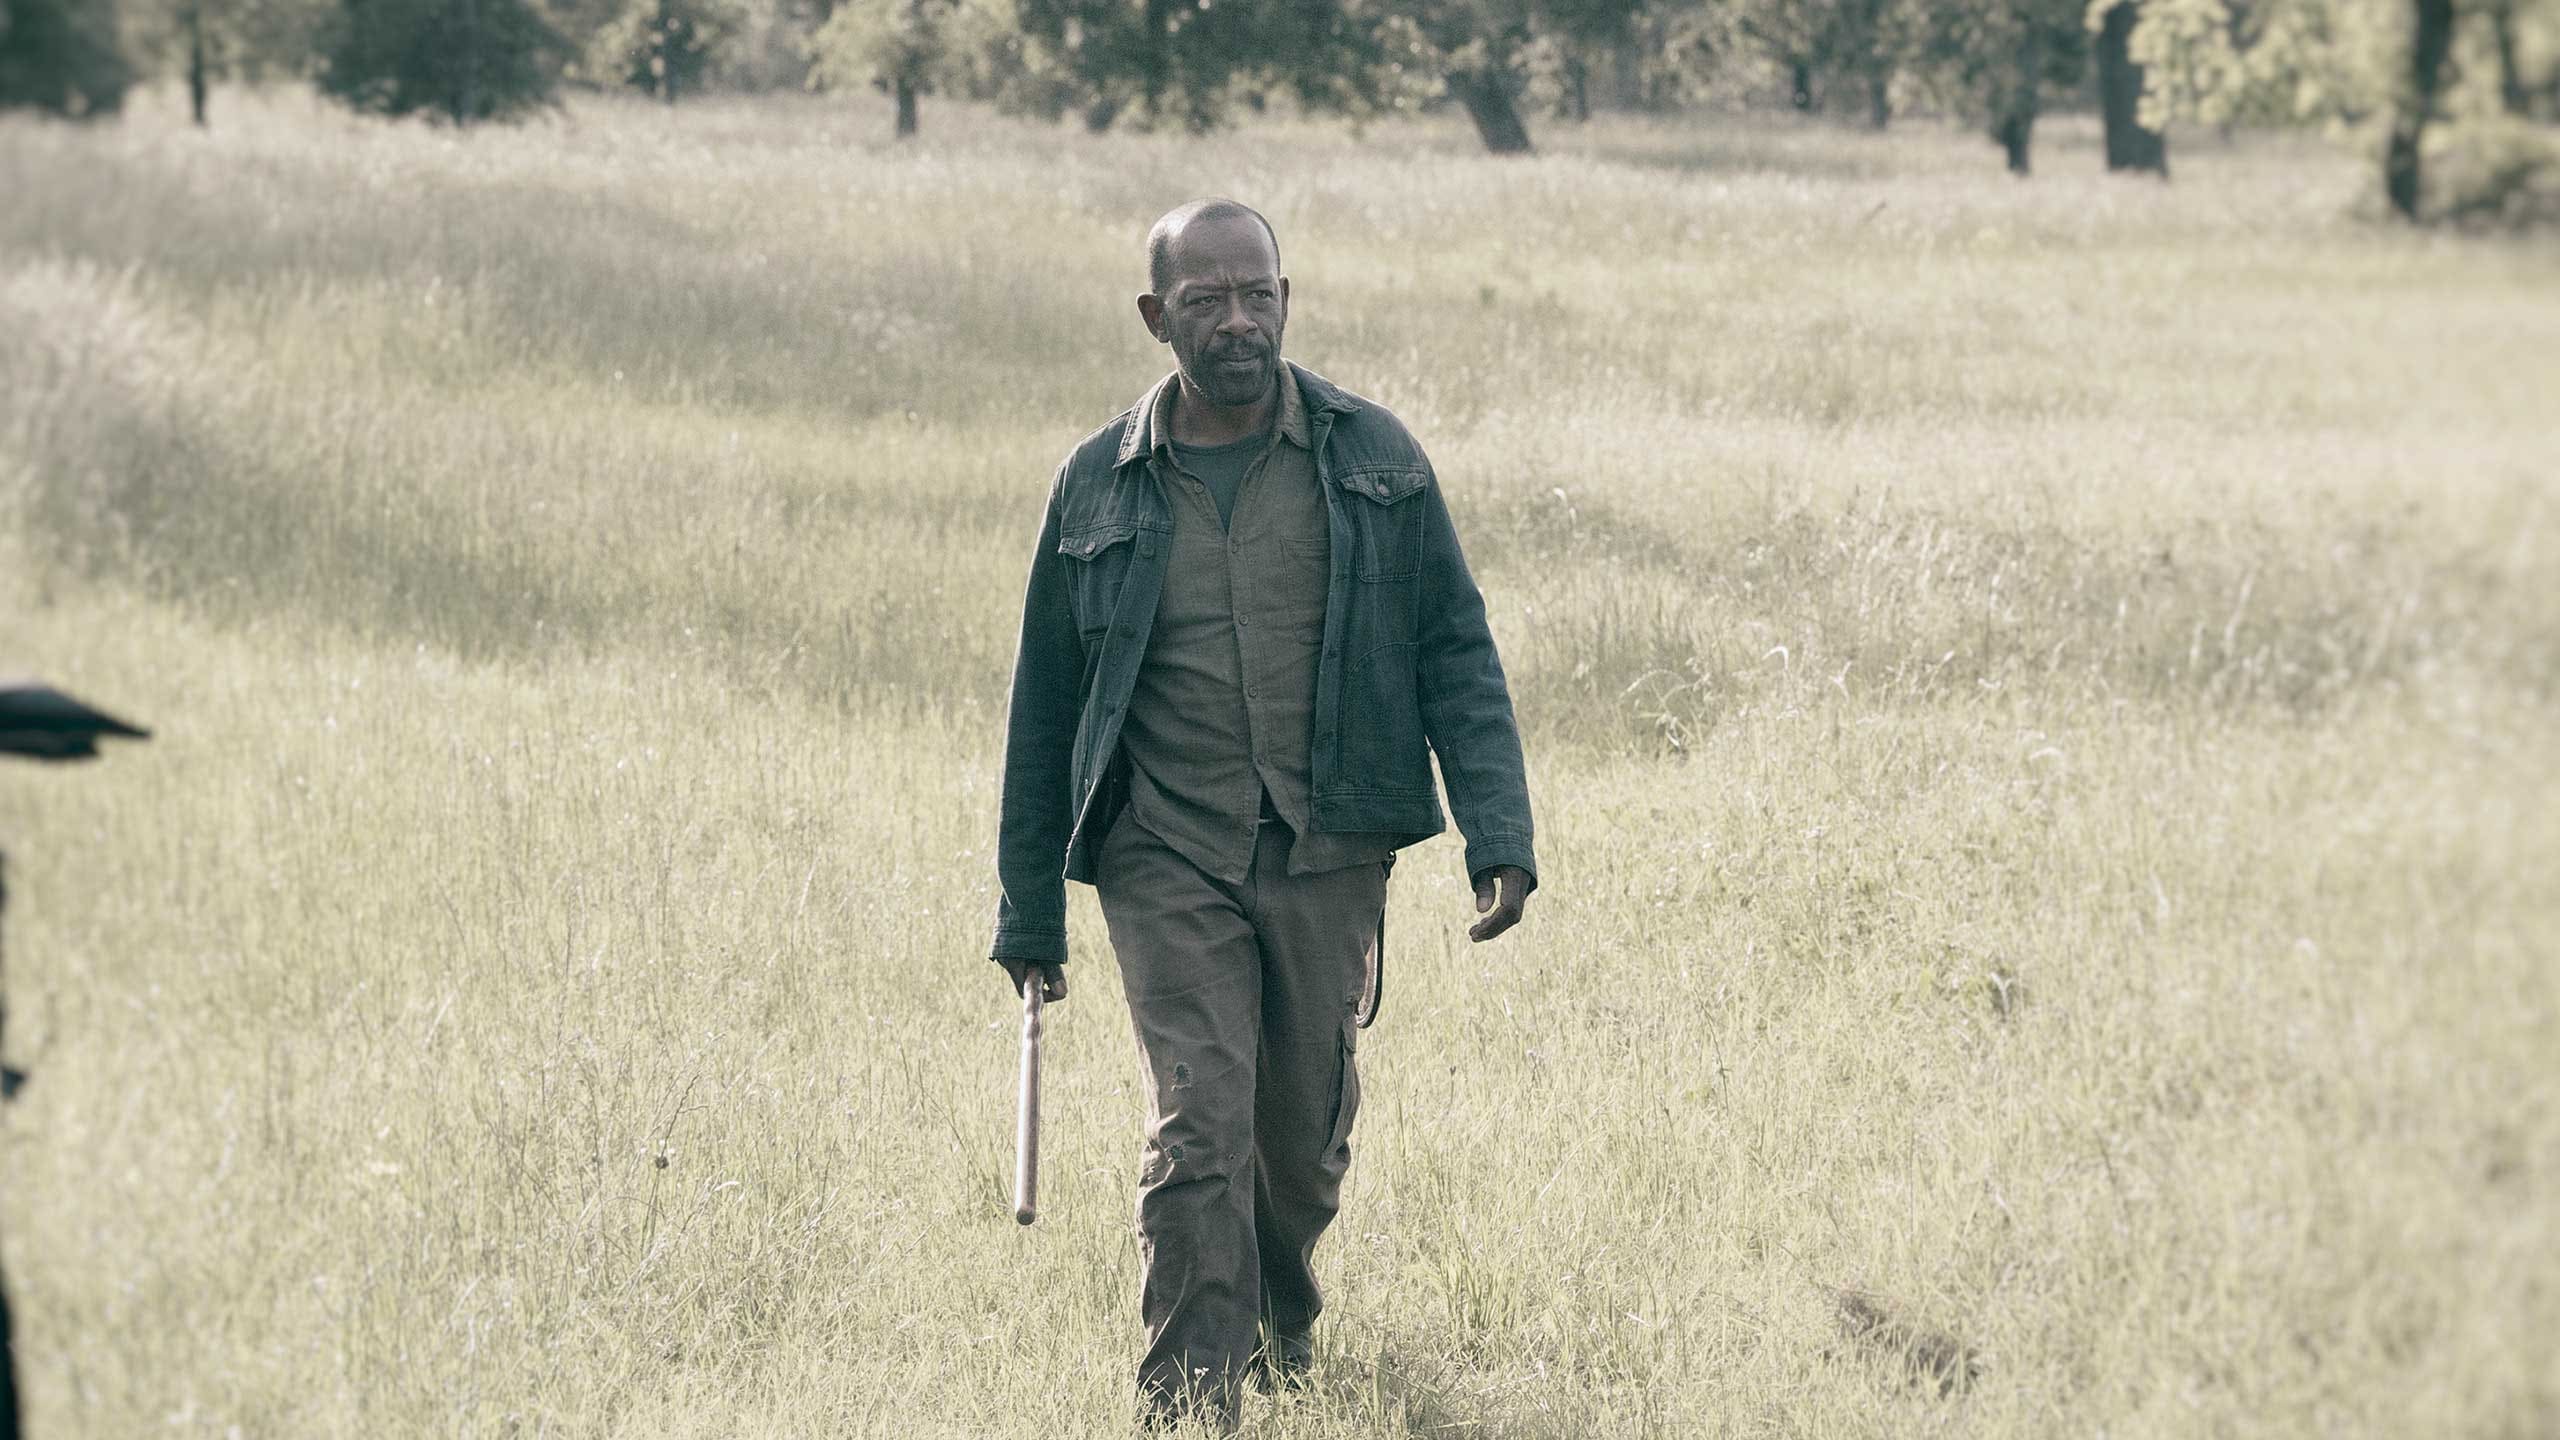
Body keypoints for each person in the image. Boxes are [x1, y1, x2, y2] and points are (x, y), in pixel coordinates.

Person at [989, 198, 1539, 1430]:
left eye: (1257, 296)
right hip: (1163, 851)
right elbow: (1045, 706)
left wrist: (1498, 834)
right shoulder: (1097, 484)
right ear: (1156, 317)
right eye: (1206, 301)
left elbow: (1455, 649)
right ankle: (1191, 1402)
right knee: (1199, 1129)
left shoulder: (1372, 458)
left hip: (1328, 842)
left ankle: (1282, 1318)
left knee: (1296, 1146)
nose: (1237, 321)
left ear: (1285, 300)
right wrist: (1028, 909)